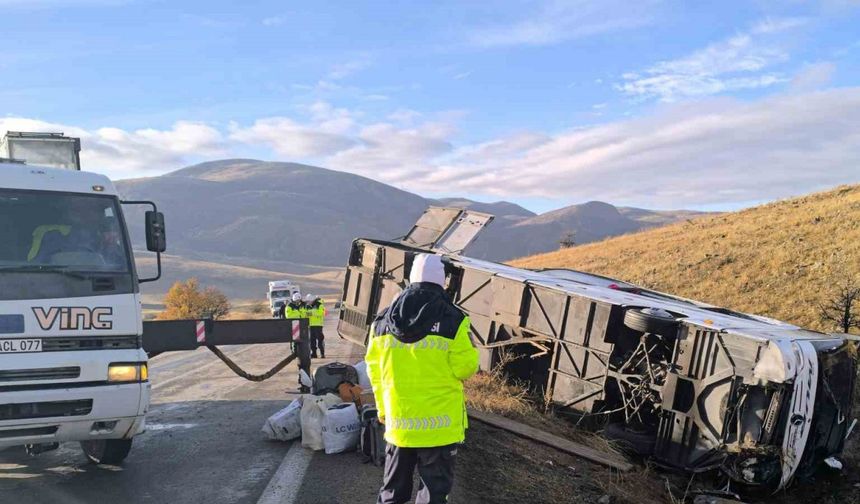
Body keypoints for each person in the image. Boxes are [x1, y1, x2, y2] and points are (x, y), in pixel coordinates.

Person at [365, 253, 479, 504]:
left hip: (399, 424)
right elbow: (465, 369)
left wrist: (383, 408)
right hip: (439, 428)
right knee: (433, 495)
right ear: (444, 280)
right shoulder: (454, 319)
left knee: (392, 492)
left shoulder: (383, 320)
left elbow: (373, 369)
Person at [285, 292, 311, 392]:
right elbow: (289, 315)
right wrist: (300, 314)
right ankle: (294, 350)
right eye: (296, 301)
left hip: (303, 329)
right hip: (295, 328)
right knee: (297, 348)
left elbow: (308, 313)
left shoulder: (303, 306)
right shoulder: (289, 307)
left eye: (299, 300)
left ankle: (305, 384)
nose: (298, 302)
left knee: (304, 360)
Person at [307, 294, 326, 359]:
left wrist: (311, 313)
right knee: (312, 340)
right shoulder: (307, 306)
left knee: (320, 340)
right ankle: (314, 353)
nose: (308, 302)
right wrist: (313, 312)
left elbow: (321, 313)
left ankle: (322, 353)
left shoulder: (319, 305)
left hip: (318, 325)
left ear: (312, 300)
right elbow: (305, 314)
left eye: (309, 301)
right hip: (311, 325)